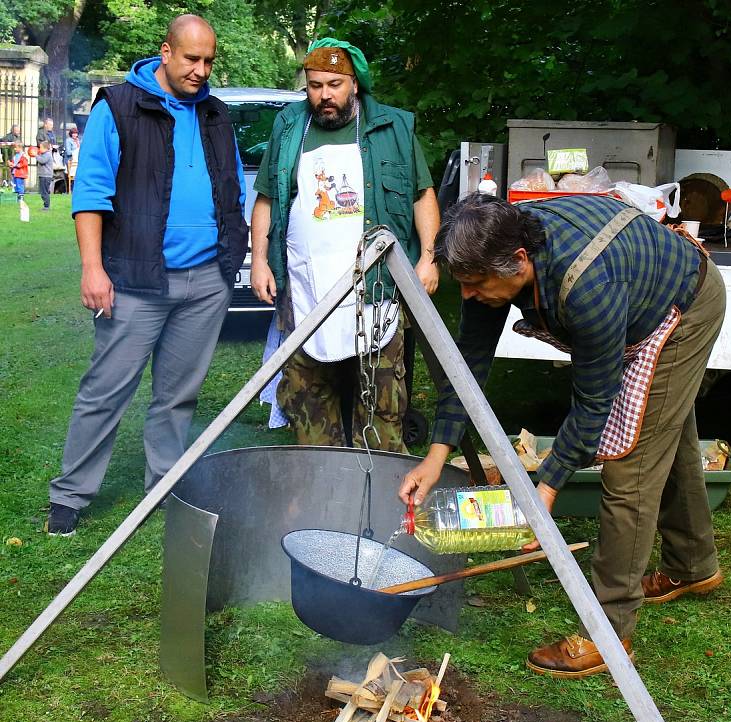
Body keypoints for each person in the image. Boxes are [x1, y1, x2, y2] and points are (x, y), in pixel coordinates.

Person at [399, 192, 726, 679]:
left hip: (681, 311)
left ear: (519, 261)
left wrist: (545, 488)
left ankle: (608, 632)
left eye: (475, 284)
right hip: (637, 294)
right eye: (462, 283)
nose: (467, 295)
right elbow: (466, 365)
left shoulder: (585, 286)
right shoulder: (493, 257)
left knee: (630, 467)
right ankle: (694, 565)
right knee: (664, 437)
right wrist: (436, 452)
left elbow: (595, 403)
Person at [46, 14, 247, 536]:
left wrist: (233, 257)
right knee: (106, 389)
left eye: (209, 61)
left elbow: (232, 190)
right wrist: (93, 269)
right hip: (135, 280)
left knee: (177, 395)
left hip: (206, 280)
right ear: (165, 51)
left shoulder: (216, 115)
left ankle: (163, 486)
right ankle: (69, 496)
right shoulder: (118, 106)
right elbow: (90, 194)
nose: (201, 70)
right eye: (191, 59)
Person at [250, 37, 440, 452]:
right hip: (305, 290)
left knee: (382, 409)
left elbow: (423, 194)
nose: (324, 96)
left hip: (378, 293)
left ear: (354, 83)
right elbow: (266, 197)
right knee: (309, 404)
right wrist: (261, 261)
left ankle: (381, 501)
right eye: (315, 86)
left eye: (334, 84)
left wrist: (428, 258)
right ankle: (323, 499)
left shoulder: (392, 126)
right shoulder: (288, 127)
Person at [34, 139, 53, 210]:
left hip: (46, 176)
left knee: (44, 191)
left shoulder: (47, 154)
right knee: (43, 191)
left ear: (45, 148)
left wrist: (36, 155)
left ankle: (46, 206)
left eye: (41, 147)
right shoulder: (43, 154)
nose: (39, 149)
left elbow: (42, 161)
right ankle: (46, 205)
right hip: (43, 175)